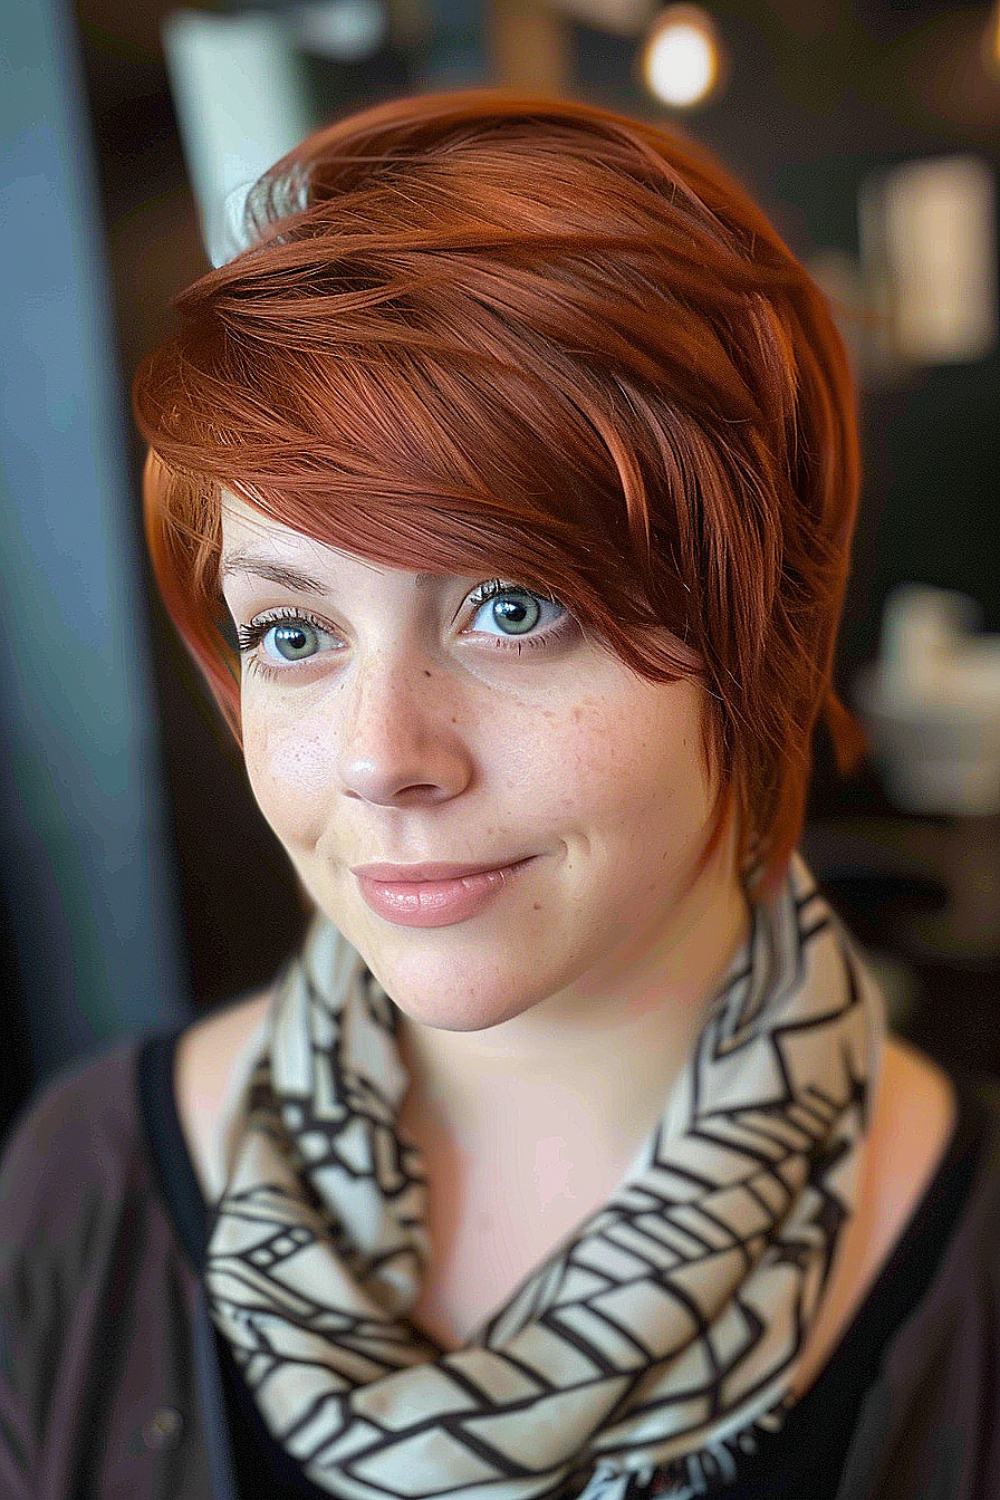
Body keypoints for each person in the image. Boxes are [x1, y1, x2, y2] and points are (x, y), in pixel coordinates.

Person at [1, 87, 997, 1500]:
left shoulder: (972, 1288)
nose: (379, 752)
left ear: (754, 638)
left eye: (514, 607)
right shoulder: (79, 1192)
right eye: (294, 634)